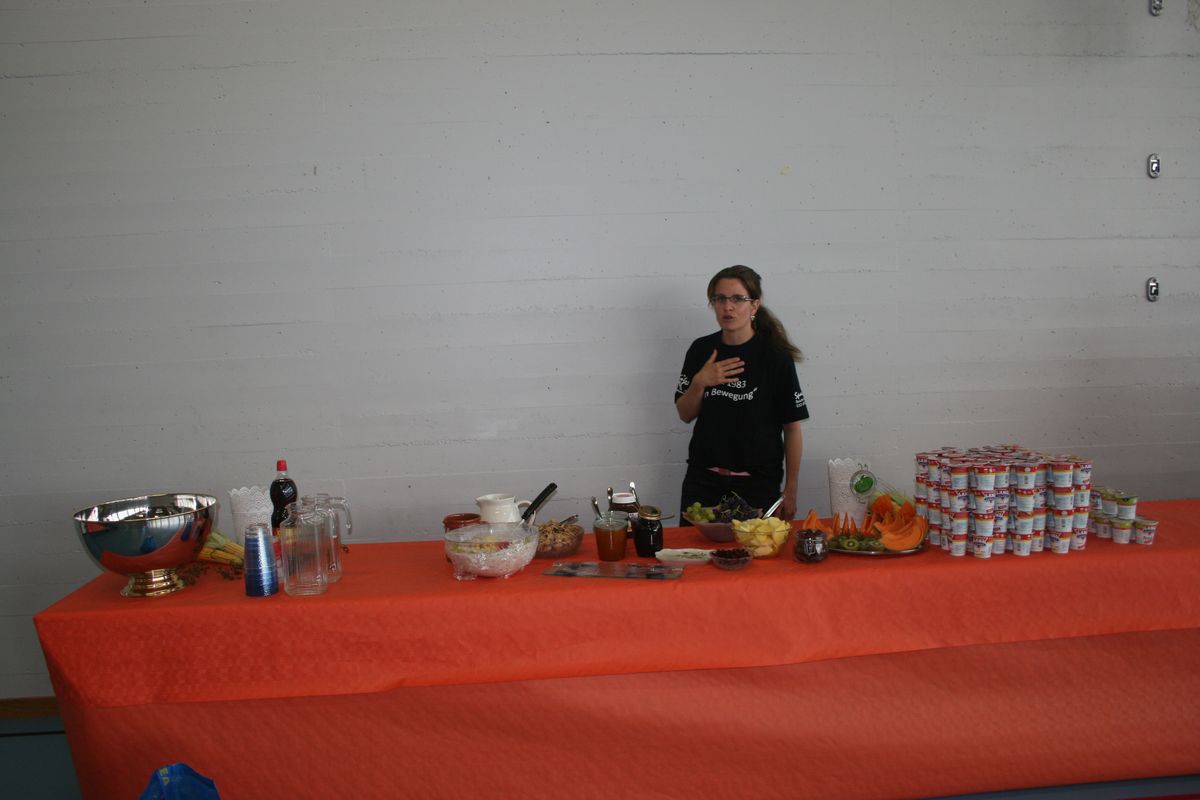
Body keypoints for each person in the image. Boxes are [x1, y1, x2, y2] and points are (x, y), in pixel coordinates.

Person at [675, 265, 809, 522]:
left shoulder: (775, 357)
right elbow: (684, 413)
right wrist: (700, 382)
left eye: (737, 299)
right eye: (720, 299)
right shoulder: (701, 350)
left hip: (757, 487)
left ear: (754, 305)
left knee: (755, 548)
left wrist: (791, 490)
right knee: (691, 548)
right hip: (703, 483)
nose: (728, 307)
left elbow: (792, 428)